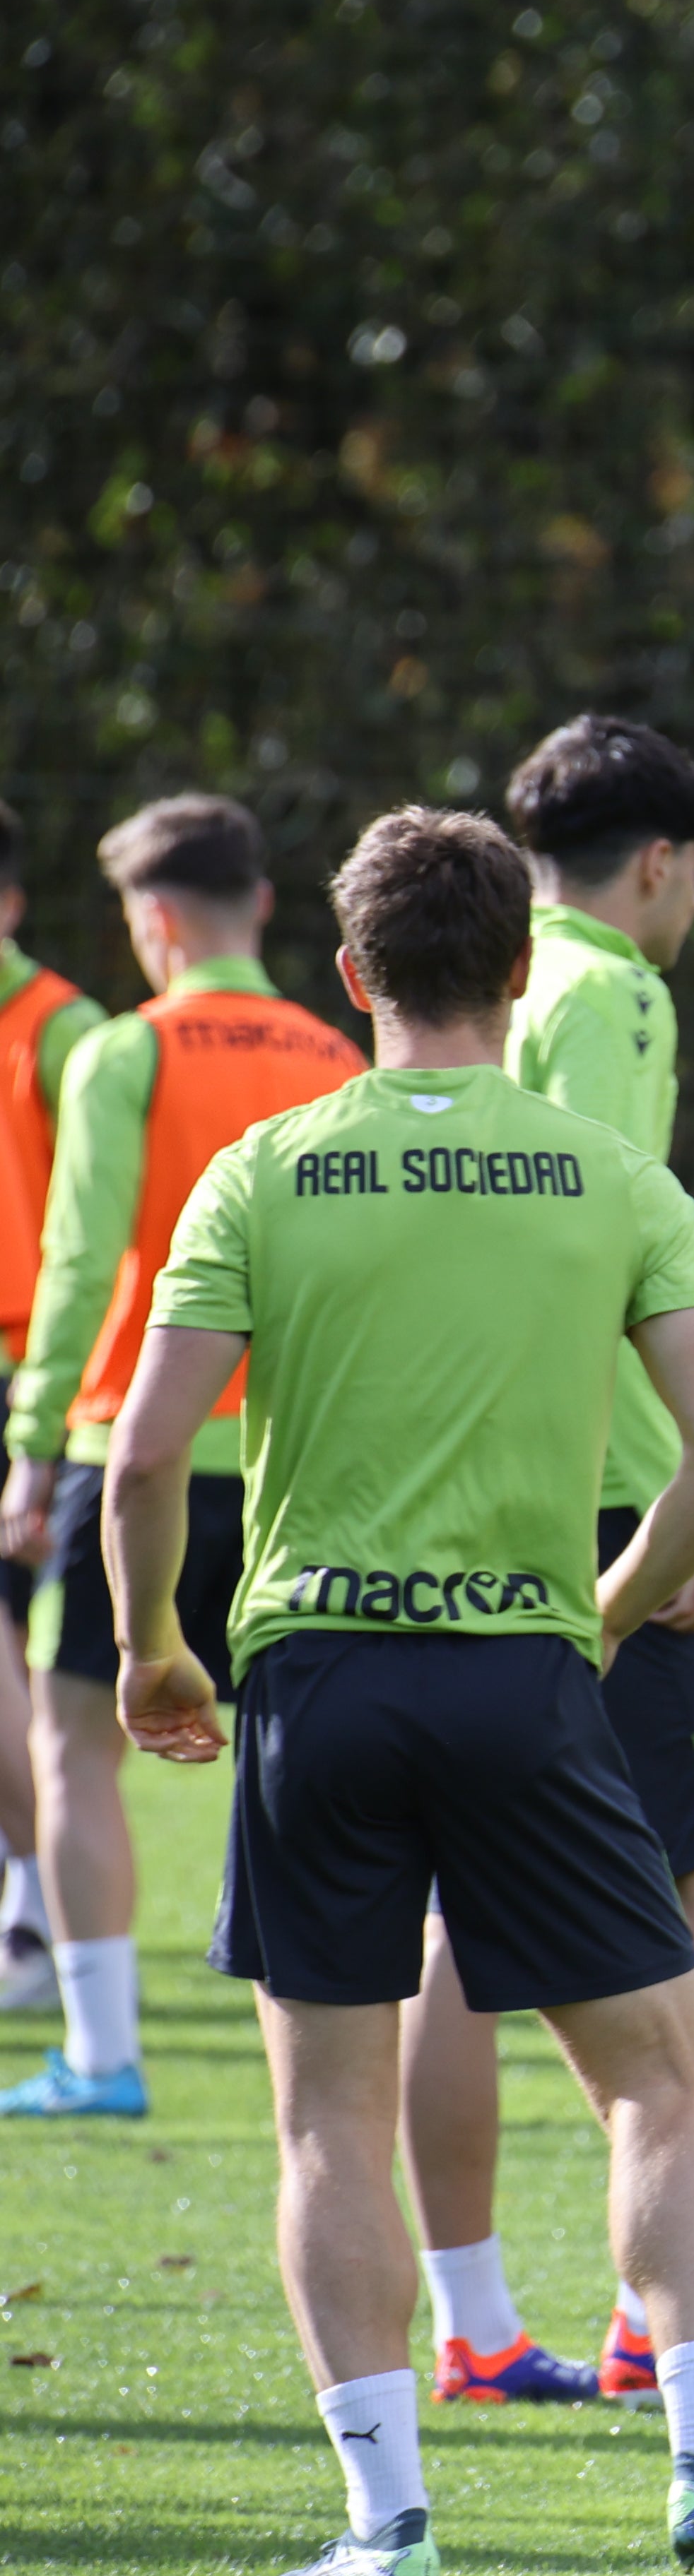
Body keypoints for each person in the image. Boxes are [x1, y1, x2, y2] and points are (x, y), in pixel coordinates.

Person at [108, 807, 694, 2576]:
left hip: (315, 1670)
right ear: (525, 969)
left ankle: (388, 2524)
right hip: (524, 1675)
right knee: (660, 2084)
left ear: (352, 976)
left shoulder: (266, 1166)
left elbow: (149, 1449)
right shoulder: (611, 1178)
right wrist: (614, 1603)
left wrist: (159, 1640)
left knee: (328, 2116)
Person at [381, 718, 694, 2414]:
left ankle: (474, 2314)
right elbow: (582, 1243)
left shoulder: (503, 1007)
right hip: (604, 1507)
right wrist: (674, 1508)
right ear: (659, 861)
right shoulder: (620, 993)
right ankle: (667, 2318)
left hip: (472, 1493)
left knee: (459, 1913)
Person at [2, 796, 363, 2122]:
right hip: (294, 1459)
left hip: (133, 1446)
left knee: (71, 1737)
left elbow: (79, 1264)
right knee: (294, 1742)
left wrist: (32, 1447)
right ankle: (323, 2038)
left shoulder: (122, 1052)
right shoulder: (337, 1055)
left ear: (151, 919)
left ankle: (101, 2055)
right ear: (261, 906)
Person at [0, 804, 108, 2022]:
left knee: (40, 1679)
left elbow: (86, 1250)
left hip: (38, 1376)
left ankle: (36, 1909)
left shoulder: (68, 1033)